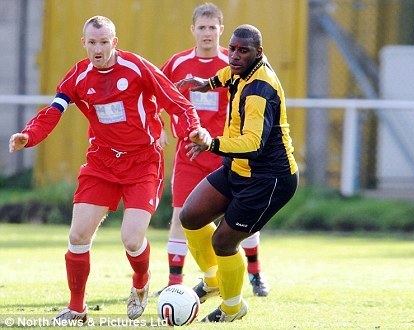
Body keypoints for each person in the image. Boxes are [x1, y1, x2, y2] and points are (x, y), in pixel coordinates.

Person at [8, 15, 207, 323]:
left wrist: (192, 129)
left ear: (114, 42)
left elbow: (177, 101)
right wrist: (29, 135)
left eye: (103, 42)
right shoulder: (78, 76)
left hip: (142, 161)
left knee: (131, 239)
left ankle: (140, 282)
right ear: (84, 44)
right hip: (102, 162)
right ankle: (77, 309)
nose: (98, 49)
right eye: (92, 43)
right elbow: (53, 111)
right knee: (77, 235)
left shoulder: (136, 67)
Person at [176, 24, 299, 322]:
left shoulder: (260, 89)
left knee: (223, 242)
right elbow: (225, 75)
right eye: (231, 48)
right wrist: (205, 83)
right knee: (190, 216)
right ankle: (214, 281)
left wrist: (211, 143)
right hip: (239, 169)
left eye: (243, 51)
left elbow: (253, 144)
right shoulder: (238, 68)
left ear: (259, 53)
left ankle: (233, 308)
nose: (234, 56)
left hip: (269, 180)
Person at [159, 2, 269, 297]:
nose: (207, 33)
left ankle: (256, 273)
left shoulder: (233, 64)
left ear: (221, 30)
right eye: (201, 27)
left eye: (212, 28)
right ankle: (174, 284)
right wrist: (158, 129)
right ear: (192, 29)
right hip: (189, 154)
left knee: (238, 219)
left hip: (227, 154)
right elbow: (156, 96)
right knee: (181, 215)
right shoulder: (177, 63)